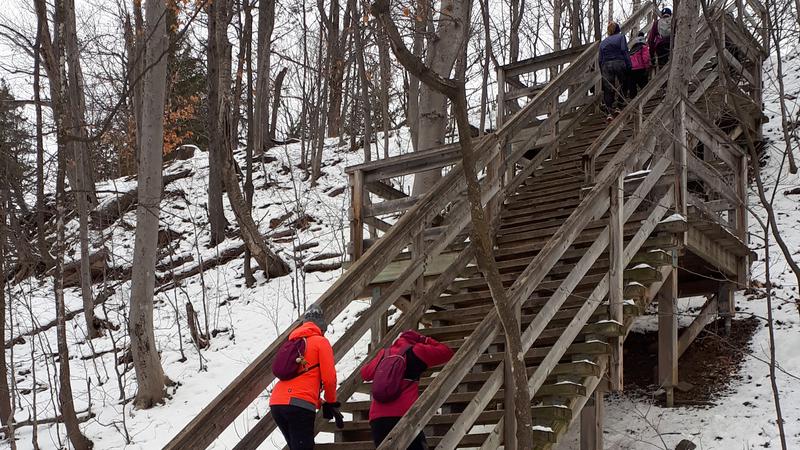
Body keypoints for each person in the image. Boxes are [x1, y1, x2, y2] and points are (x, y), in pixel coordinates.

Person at [361, 329, 454, 450]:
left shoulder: (384, 354)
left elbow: (365, 373)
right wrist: (424, 339)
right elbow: (447, 352)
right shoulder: (417, 350)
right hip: (404, 416)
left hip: (377, 418)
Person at [270, 305, 340, 450]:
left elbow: (301, 382)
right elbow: (329, 379)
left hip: (277, 402)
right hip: (299, 406)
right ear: (321, 327)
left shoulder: (292, 343)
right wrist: (331, 402)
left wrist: (320, 403)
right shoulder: (320, 342)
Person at [598, 21, 632, 120]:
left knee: (608, 88)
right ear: (618, 29)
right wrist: (629, 65)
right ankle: (619, 105)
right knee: (623, 82)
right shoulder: (621, 37)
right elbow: (624, 51)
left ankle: (609, 111)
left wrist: (602, 70)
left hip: (606, 65)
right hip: (619, 62)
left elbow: (600, 59)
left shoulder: (603, 42)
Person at [626, 31, 651, 98]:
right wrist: (647, 67)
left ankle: (632, 102)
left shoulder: (632, 49)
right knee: (644, 85)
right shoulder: (644, 47)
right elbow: (646, 58)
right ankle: (646, 99)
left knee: (632, 87)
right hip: (640, 68)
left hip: (631, 69)